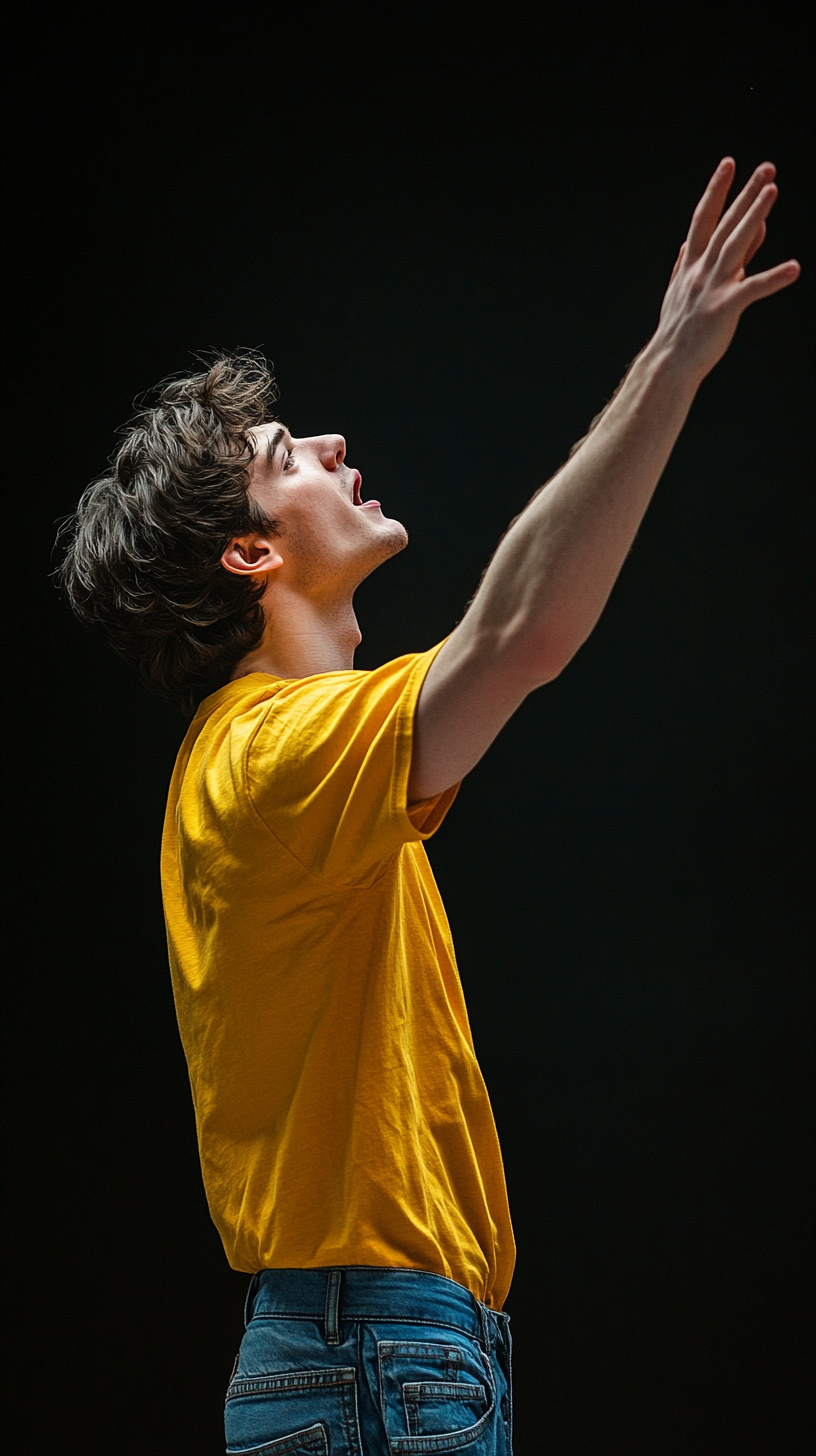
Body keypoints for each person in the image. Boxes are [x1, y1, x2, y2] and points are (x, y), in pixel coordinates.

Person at [60, 159, 798, 1455]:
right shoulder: (269, 764)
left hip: (387, 1356)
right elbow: (519, 634)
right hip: (374, 1364)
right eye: (287, 455)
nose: (333, 444)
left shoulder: (289, 774)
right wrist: (670, 366)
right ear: (250, 553)